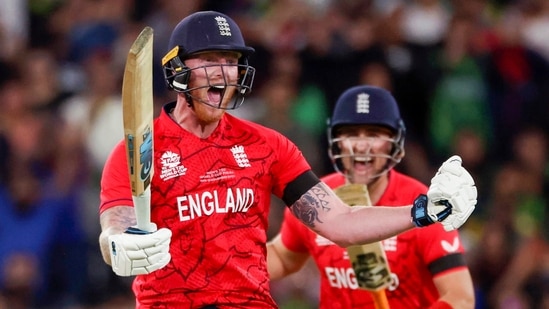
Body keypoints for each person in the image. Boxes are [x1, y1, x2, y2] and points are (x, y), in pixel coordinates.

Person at [98, 11, 477, 308]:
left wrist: (422, 212)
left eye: (230, 61)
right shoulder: (138, 149)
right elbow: (115, 226)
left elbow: (339, 222)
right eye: (209, 59)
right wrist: (120, 245)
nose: (223, 72)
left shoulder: (267, 145)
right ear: (177, 69)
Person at [267, 85, 476, 308]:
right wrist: (229, 258)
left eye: (374, 134)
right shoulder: (316, 198)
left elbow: (461, 298)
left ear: (396, 144)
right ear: (335, 142)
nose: (361, 145)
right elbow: (282, 257)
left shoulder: (423, 204)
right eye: (350, 134)